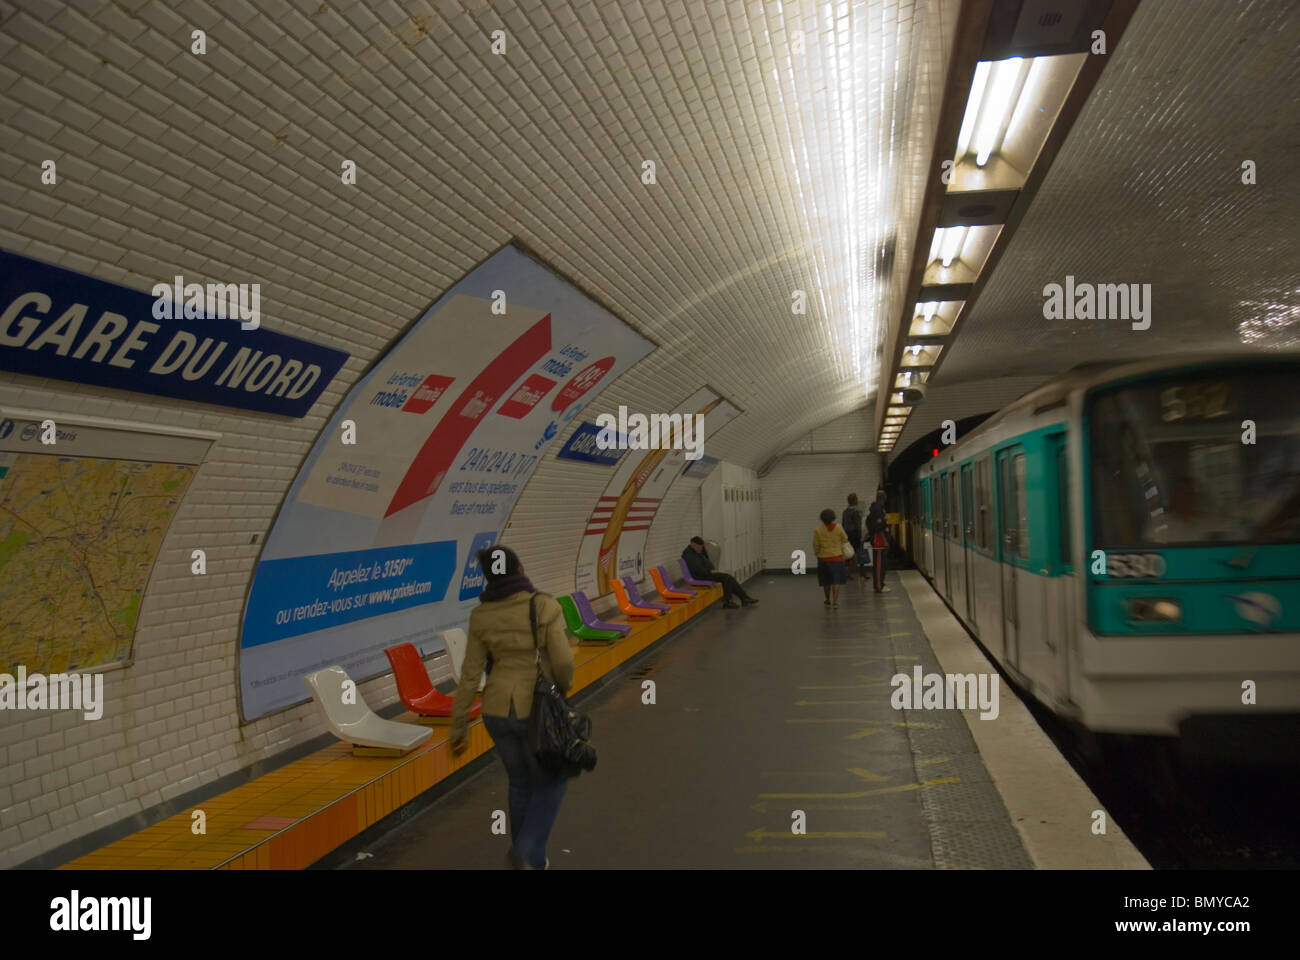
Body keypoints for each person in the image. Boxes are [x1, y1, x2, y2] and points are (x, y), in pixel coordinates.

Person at [450, 545, 574, 870]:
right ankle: (526, 852)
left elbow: (469, 674)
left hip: (495, 711)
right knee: (553, 779)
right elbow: (562, 662)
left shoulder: (481, 615)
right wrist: (561, 692)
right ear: (519, 568)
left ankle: (531, 861)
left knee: (520, 783)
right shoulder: (543, 605)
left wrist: (459, 725)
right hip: (535, 708)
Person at [681, 537, 758, 609]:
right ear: (693, 544)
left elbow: (706, 561)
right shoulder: (689, 555)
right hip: (700, 576)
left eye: (701, 547)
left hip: (705, 573)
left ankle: (742, 598)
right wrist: (709, 571)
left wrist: (711, 569)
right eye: (699, 547)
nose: (701, 548)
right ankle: (732, 601)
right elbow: (697, 569)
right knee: (727, 578)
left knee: (728, 578)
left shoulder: (696, 552)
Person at [813, 508, 850, 607]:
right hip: (837, 558)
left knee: (826, 581)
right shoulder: (839, 527)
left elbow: (816, 545)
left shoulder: (818, 530)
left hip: (823, 559)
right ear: (833, 517)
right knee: (836, 581)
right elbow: (845, 539)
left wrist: (817, 553)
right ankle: (835, 602)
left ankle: (827, 599)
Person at [866, 489, 891, 593]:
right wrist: (885, 540)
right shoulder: (878, 509)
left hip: (878, 539)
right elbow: (879, 526)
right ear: (883, 498)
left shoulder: (877, 508)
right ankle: (879, 586)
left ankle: (879, 583)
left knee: (881, 563)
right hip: (879, 540)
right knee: (880, 564)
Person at [842, 493, 866, 580]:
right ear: (855, 501)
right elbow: (858, 526)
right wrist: (861, 537)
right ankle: (862, 572)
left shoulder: (845, 512)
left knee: (848, 554)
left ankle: (848, 573)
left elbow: (843, 524)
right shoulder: (856, 512)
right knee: (860, 553)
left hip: (847, 535)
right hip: (855, 535)